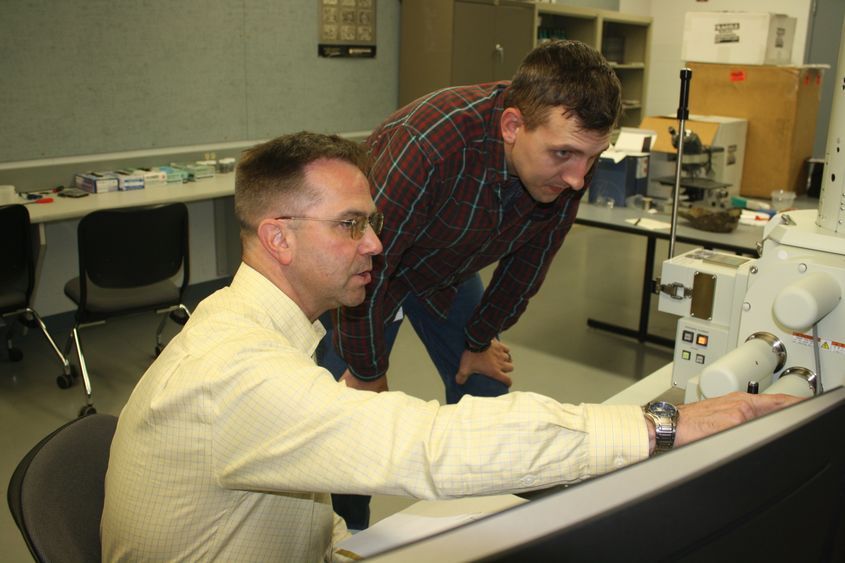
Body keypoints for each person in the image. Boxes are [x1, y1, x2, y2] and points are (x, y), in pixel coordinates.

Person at [100, 132, 798, 562]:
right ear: (278, 237)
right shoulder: (234, 372)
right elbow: (429, 445)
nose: (375, 242)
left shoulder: (250, 328)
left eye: (370, 221)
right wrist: (660, 424)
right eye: (349, 225)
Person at [319, 38, 623, 529]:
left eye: (592, 158)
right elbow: (365, 267)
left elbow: (529, 265)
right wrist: (369, 370)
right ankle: (347, 534)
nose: (576, 179)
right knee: (352, 418)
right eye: (564, 154)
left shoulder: (567, 169)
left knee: (485, 382)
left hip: (447, 267)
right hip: (375, 269)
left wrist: (481, 339)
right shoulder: (431, 145)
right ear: (512, 126)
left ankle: (487, 518)